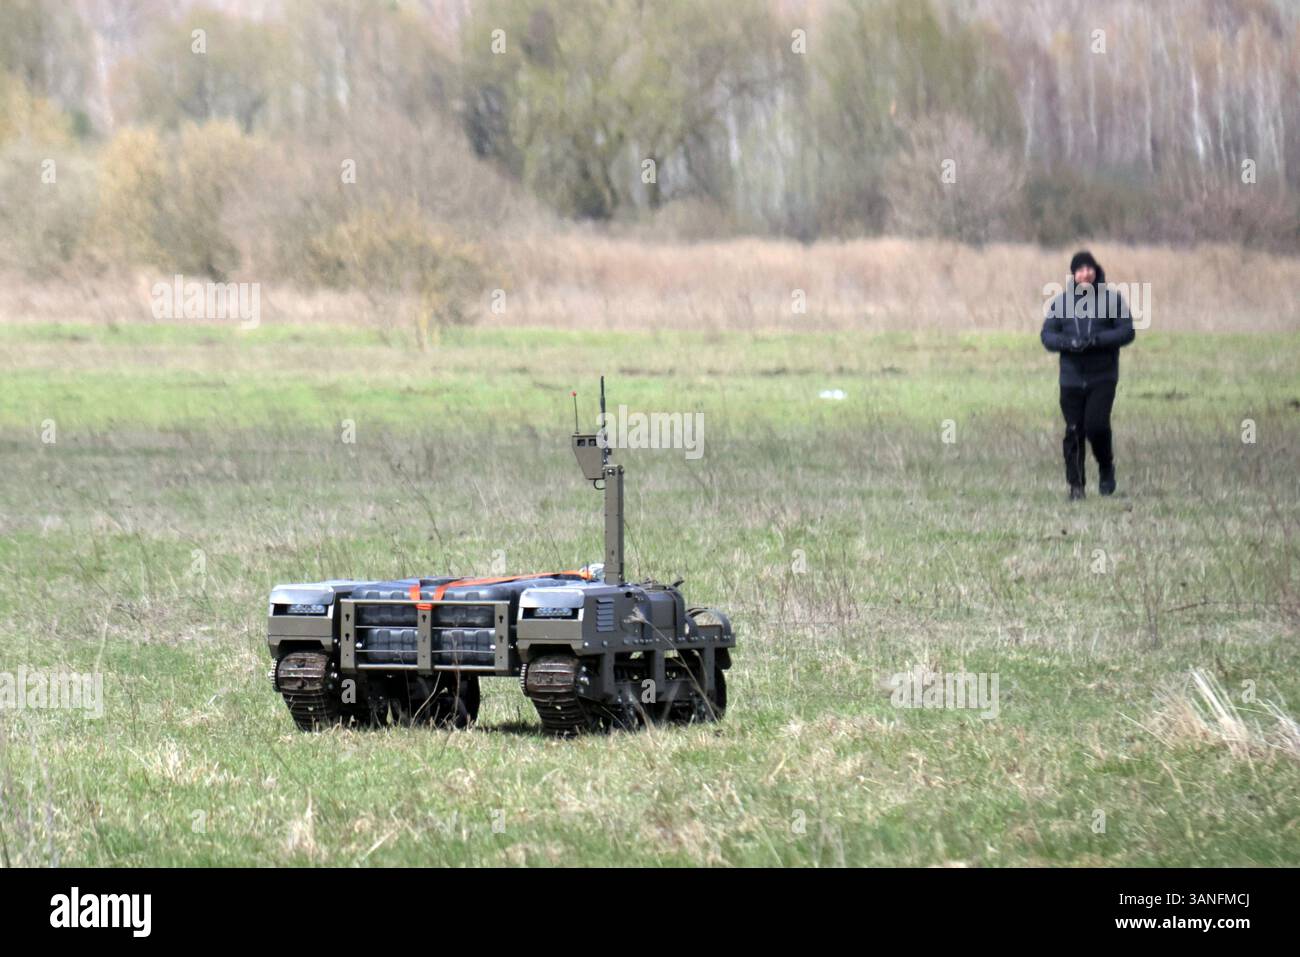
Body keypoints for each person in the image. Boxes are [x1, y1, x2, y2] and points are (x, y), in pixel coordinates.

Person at [1040, 250, 1135, 500]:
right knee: (1073, 430)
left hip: (1102, 376)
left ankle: (1106, 467)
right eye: (1080, 269)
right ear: (1073, 274)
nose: (1086, 273)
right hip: (1071, 378)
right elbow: (1047, 336)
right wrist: (1069, 342)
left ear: (1096, 270)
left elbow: (1127, 332)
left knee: (1096, 426)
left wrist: (1096, 340)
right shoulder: (1060, 303)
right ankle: (1076, 486)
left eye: (1089, 268)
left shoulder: (1111, 300)